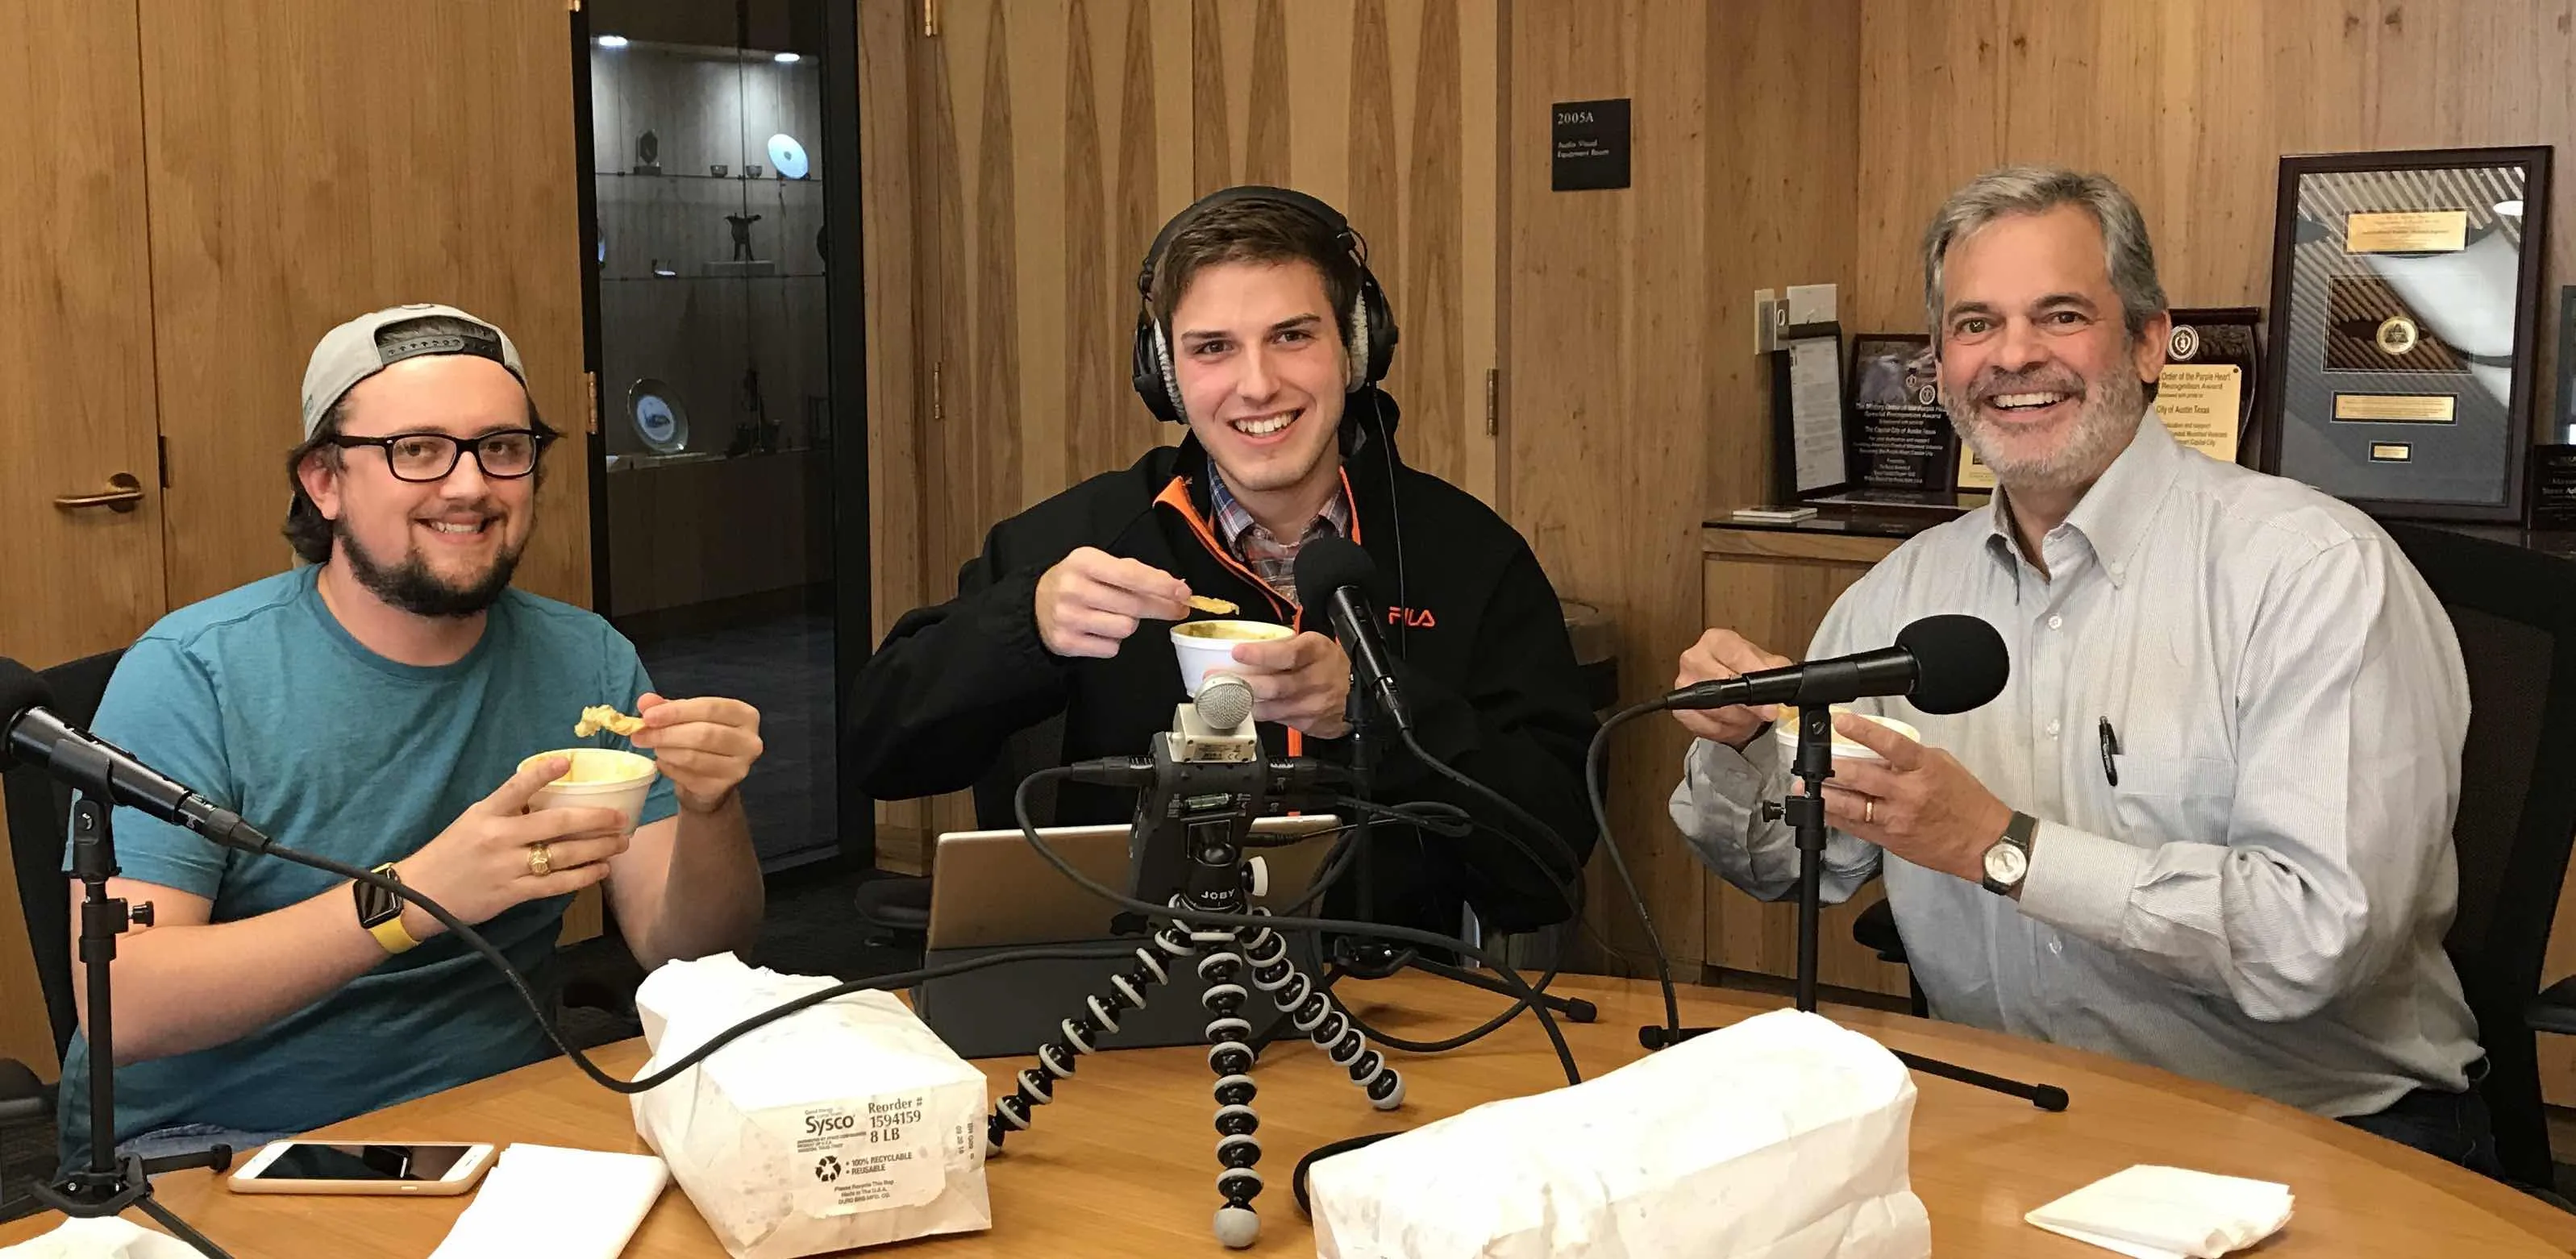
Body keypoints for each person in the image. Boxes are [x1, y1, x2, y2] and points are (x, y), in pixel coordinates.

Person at [1668, 168, 2498, 1176]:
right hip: (2010, 1120)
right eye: (1975, 325)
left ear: (2150, 343)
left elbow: (2314, 939)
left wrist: (2001, 846)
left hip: (2313, 1138)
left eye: (2059, 315)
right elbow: (1787, 868)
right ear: (1937, 366)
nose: (2014, 356)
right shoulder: (1897, 598)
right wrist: (1748, 745)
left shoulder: (2311, 574)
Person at [57, 305, 768, 1167]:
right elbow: (126, 1003)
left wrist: (710, 808)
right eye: (417, 450)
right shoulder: (192, 673)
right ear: (324, 481)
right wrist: (421, 892)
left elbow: (689, 949)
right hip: (222, 1141)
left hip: (504, 1116)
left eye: (503, 447)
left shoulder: (588, 658)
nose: (470, 485)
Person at [848, 187, 1597, 937]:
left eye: (1292, 336)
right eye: (1212, 348)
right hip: (1117, 1002)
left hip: (1384, 1004)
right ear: (1165, 375)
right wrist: (1022, 627)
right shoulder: (1076, 539)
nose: (1257, 384)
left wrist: (1376, 713)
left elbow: (1549, 859)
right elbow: (881, 757)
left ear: (1356, 349)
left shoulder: (1469, 554)